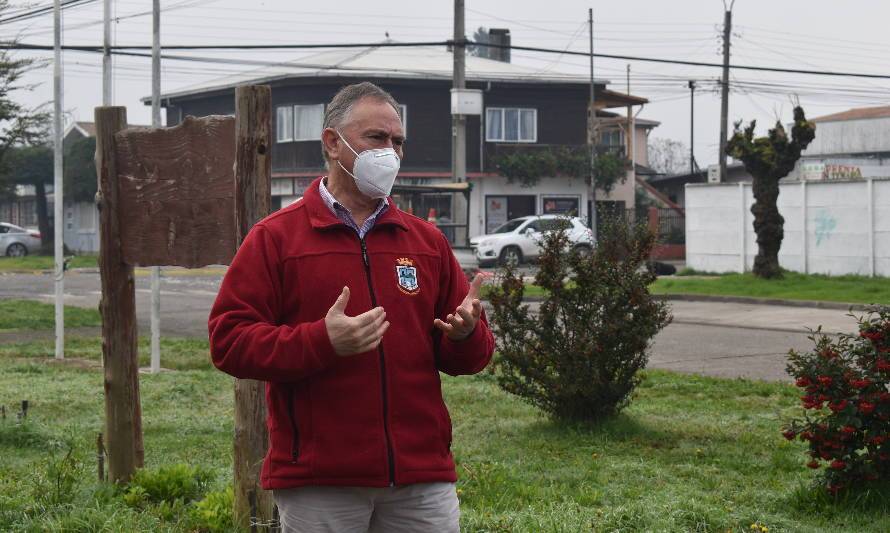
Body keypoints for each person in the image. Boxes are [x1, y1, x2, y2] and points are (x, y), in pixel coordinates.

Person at [208, 82, 494, 532]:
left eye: (397, 141)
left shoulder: (425, 242)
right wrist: (322, 341)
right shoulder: (276, 237)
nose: (391, 153)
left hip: (420, 478)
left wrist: (466, 335)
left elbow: (473, 357)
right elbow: (229, 341)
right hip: (320, 481)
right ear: (331, 142)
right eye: (376, 138)